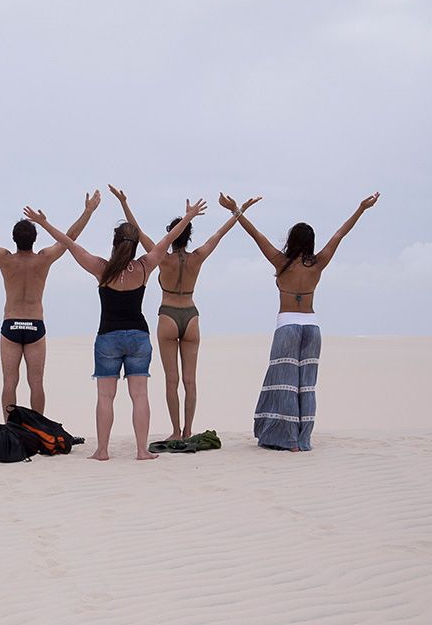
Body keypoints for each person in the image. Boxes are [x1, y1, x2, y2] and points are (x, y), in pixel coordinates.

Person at [23, 196, 206, 460]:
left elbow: (69, 243)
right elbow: (167, 241)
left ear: (114, 242)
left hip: (108, 338)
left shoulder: (102, 269)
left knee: (105, 397)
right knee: (139, 395)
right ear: (133, 246)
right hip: (138, 338)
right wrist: (188, 217)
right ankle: (142, 450)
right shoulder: (143, 266)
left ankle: (102, 450)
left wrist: (44, 222)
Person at [223, 191, 381, 451]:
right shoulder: (317, 264)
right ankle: (303, 438)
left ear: (292, 241)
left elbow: (257, 236)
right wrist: (361, 209)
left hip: (287, 327)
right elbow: (339, 235)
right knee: (306, 385)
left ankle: (290, 440)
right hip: (312, 328)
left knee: (284, 383)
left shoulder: (281, 262)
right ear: (311, 242)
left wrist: (236, 212)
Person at [110, 184, 260, 441]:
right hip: (191, 315)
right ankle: (189, 431)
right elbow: (219, 235)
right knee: (190, 379)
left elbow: (139, 232)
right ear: (189, 236)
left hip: (168, 315)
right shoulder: (198, 257)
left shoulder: (162, 259)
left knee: (172, 379)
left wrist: (124, 203)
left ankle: (176, 432)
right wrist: (238, 210)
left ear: (171, 234)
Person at [0, 191, 100, 416]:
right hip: (35, 325)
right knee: (36, 382)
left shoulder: (5, 259)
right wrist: (88, 211)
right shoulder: (44, 259)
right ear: (35, 239)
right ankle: (38, 429)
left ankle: (11, 429)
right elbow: (69, 237)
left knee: (9, 381)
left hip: (11, 325)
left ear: (13, 239)